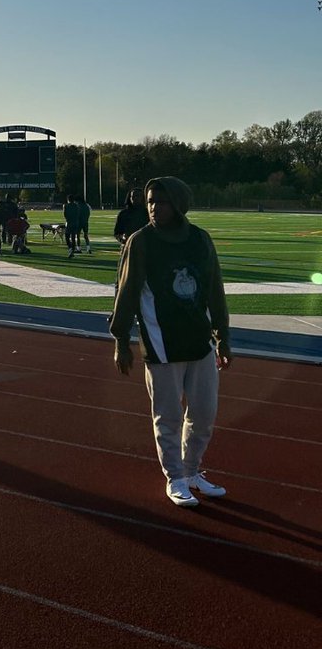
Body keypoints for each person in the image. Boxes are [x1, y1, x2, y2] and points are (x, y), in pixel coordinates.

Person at [109, 177, 232, 508]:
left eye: (161, 202)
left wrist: (222, 336)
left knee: (204, 413)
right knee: (168, 416)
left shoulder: (200, 240)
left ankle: (191, 471)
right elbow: (126, 291)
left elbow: (215, 289)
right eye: (150, 201)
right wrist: (121, 339)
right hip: (161, 343)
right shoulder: (141, 242)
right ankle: (175, 478)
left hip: (200, 341)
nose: (153, 207)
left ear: (178, 204)